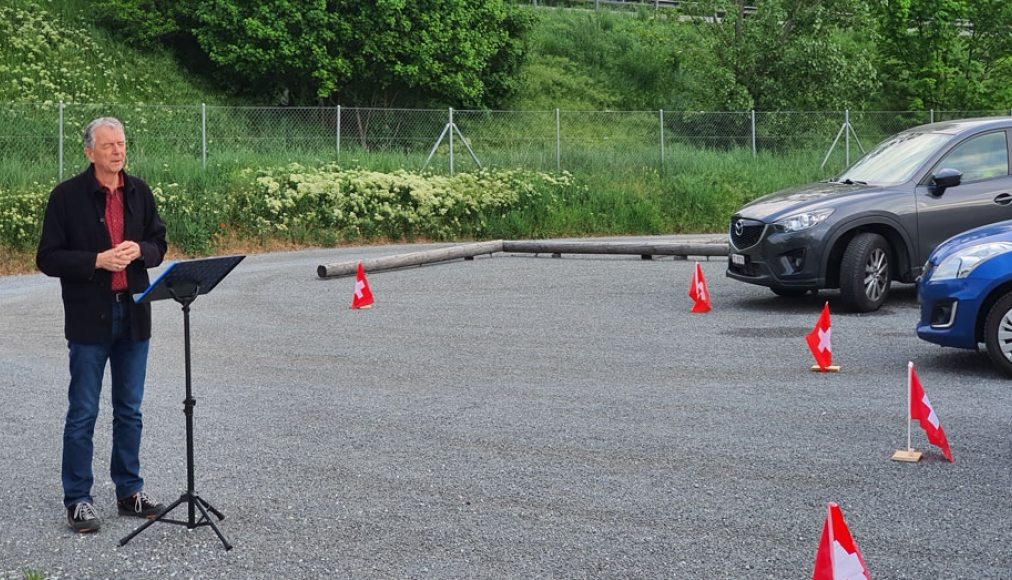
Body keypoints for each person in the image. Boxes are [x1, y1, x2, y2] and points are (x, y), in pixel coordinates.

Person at [37, 117, 168, 533]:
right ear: (89, 152)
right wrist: (96, 260)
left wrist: (140, 251)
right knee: (84, 412)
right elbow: (48, 258)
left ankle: (129, 491)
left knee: (129, 410)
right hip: (89, 317)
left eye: (122, 143)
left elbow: (159, 244)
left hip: (133, 314)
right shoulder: (66, 197)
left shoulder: (139, 192)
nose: (118, 151)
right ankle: (78, 498)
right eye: (109, 145)